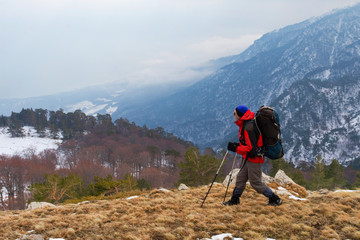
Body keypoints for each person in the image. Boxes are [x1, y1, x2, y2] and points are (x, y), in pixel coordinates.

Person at [222, 105, 282, 206]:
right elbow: (248, 143)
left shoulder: (248, 127)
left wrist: (236, 148)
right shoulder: (246, 123)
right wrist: (237, 145)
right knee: (241, 178)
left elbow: (251, 148)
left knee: (255, 182)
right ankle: (235, 200)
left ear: (240, 115)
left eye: (235, 113)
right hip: (248, 157)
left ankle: (275, 199)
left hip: (255, 159)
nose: (233, 115)